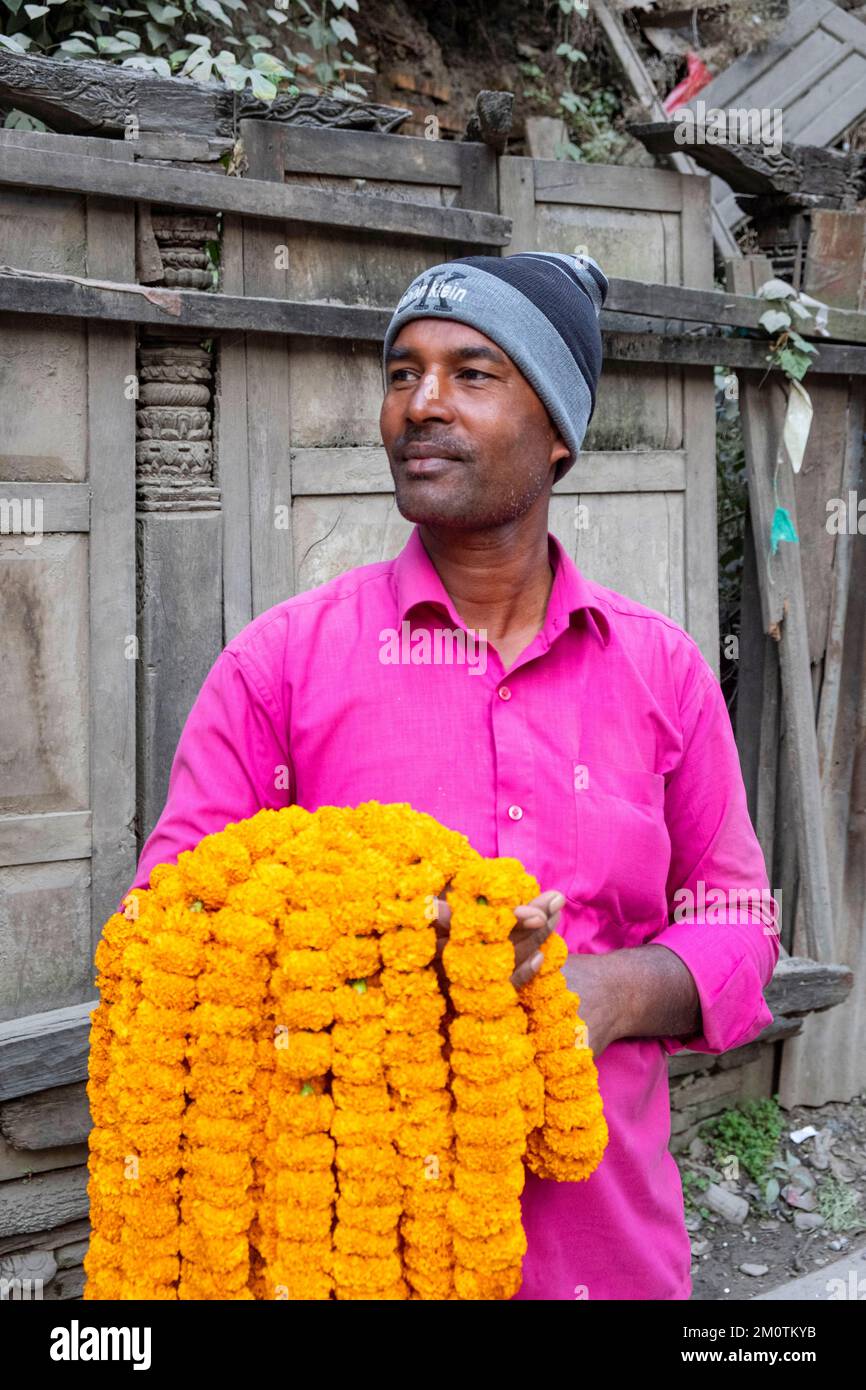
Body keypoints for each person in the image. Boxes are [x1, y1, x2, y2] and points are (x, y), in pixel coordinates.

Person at [120, 250, 780, 1300]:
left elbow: (737, 918)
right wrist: (377, 934)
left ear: (559, 431)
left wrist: (603, 991)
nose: (421, 403)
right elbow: (170, 914)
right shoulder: (280, 664)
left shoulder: (658, 670)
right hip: (354, 1253)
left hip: (601, 1252)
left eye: (472, 373)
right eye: (401, 373)